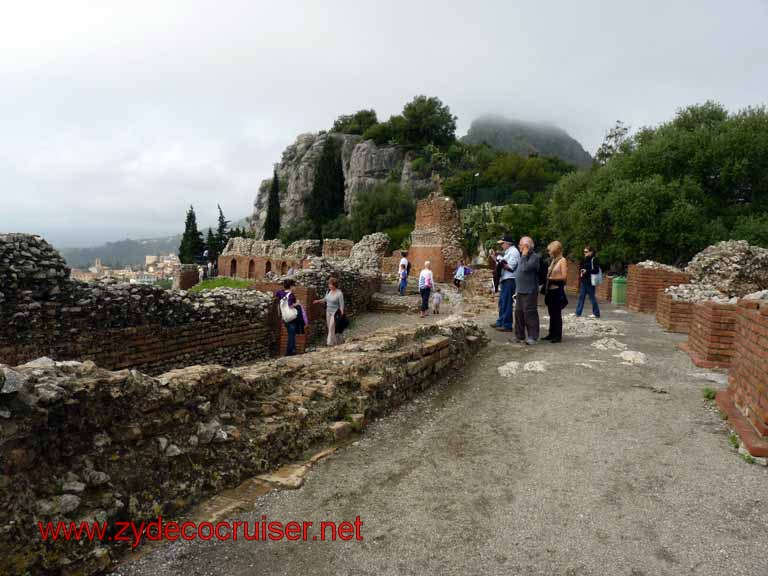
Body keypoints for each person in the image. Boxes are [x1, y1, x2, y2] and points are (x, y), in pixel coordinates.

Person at [514, 236, 540, 345]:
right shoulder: (522, 257)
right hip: (520, 290)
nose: (519, 247)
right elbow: (519, 273)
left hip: (530, 290)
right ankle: (519, 336)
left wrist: (524, 255)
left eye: (521, 245)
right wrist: (516, 290)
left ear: (527, 246)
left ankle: (532, 336)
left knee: (530, 313)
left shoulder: (534, 257)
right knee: (518, 313)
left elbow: (525, 269)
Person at [492, 235, 520, 332]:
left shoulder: (514, 252)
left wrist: (500, 261)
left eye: (502, 243)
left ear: (508, 243)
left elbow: (510, 267)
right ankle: (501, 321)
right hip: (505, 279)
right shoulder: (509, 252)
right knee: (502, 302)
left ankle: (507, 324)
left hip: (510, 280)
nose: (501, 245)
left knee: (507, 302)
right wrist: (496, 259)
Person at [543, 241, 568, 343]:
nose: (549, 252)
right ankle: (551, 333)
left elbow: (564, 277)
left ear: (556, 250)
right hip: (550, 290)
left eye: (550, 250)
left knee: (556, 313)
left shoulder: (562, 260)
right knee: (551, 312)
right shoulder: (554, 260)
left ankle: (558, 335)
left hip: (557, 289)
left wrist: (552, 278)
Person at [313, 277, 345, 347]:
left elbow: (342, 305)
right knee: (330, 328)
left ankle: (329, 343)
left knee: (331, 327)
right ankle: (335, 342)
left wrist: (342, 314)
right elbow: (325, 299)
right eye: (329, 284)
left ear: (334, 285)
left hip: (335, 313)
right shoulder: (329, 291)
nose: (329, 286)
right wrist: (318, 301)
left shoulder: (339, 293)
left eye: (330, 284)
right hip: (328, 312)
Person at [275, 279, 302, 356]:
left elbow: (277, 294)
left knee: (290, 334)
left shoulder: (281, 293)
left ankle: (289, 350)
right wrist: (297, 303)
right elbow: (290, 305)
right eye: (294, 286)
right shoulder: (291, 295)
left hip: (285, 317)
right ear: (291, 286)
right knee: (291, 335)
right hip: (291, 317)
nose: (295, 287)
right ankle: (291, 351)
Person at [576, 246, 601, 318]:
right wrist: (582, 271)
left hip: (590, 281)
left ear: (591, 252)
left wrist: (587, 271)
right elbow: (582, 267)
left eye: (586, 252)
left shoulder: (594, 259)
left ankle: (596, 313)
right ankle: (578, 312)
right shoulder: (585, 259)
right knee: (581, 297)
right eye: (584, 252)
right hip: (584, 280)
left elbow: (596, 270)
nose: (585, 253)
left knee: (592, 297)